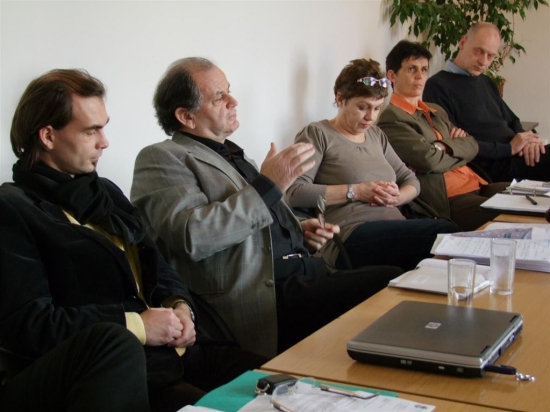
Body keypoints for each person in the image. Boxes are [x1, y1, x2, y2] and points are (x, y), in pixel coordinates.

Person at [0, 69, 267, 412]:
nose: (104, 142)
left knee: (284, 381)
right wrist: (137, 325)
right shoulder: (13, 209)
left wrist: (180, 306)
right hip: (116, 368)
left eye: (104, 127)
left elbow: (156, 263)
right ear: (48, 136)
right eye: (91, 130)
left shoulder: (104, 191)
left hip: (173, 351)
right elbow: (29, 325)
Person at [131, 57, 403, 357]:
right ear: (186, 116)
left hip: (305, 271)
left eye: (229, 90)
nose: (234, 101)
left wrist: (298, 230)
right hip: (262, 292)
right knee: (389, 281)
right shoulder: (163, 157)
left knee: (399, 279)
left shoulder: (234, 156)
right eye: (220, 97)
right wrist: (269, 184)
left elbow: (255, 218)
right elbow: (193, 235)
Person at [285, 58, 458, 272]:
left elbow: (411, 180)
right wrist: (356, 191)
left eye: (376, 108)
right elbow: (295, 193)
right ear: (340, 99)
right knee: (446, 233)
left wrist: (398, 197)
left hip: (396, 227)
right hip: (350, 234)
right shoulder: (318, 134)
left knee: (447, 248)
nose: (370, 117)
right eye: (363, 107)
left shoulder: (376, 135)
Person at [377, 40, 510, 231]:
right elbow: (428, 160)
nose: (420, 76)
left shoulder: (436, 110)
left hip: (478, 183)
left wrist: (443, 147)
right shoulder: (391, 118)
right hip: (450, 198)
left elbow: (472, 145)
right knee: (513, 217)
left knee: (532, 200)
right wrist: (456, 148)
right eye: (412, 69)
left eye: (424, 70)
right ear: (392, 76)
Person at [423, 22, 549, 183]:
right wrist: (509, 149)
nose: (483, 61)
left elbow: (512, 120)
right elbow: (457, 145)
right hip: (491, 166)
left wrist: (526, 141)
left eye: (490, 56)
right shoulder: (437, 86)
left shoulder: (486, 81)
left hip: (515, 154)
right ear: (463, 42)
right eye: (479, 51)